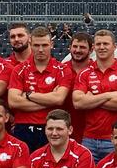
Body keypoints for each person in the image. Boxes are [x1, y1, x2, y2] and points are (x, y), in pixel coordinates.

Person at [7, 24, 72, 153]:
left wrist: (29, 95)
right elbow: (13, 102)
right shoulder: (19, 70)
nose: (40, 49)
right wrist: (49, 100)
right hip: (23, 128)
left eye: (45, 45)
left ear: (52, 44)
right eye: (36, 45)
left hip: (52, 127)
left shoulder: (63, 70)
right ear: (30, 44)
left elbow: (59, 99)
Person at [72, 29, 117, 160]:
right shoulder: (85, 73)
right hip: (89, 138)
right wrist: (109, 95)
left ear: (115, 47)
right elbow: (78, 103)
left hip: (116, 139)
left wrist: (91, 99)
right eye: (98, 44)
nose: (102, 47)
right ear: (94, 47)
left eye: (106, 44)